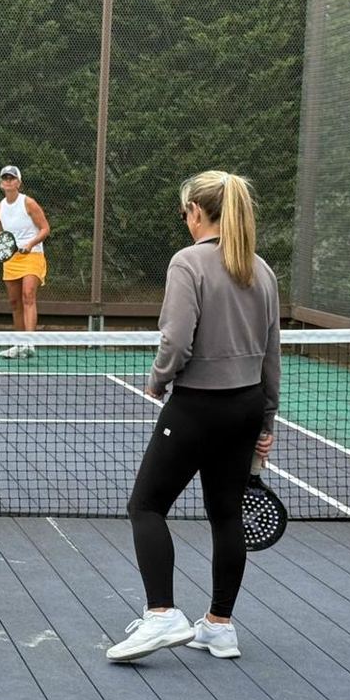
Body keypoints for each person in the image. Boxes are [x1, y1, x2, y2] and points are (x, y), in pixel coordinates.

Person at [106, 170, 280, 663]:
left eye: (185, 212)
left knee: (145, 506)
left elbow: (177, 340)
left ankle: (161, 614)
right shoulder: (262, 270)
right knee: (226, 515)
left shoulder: (188, 263)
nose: (184, 220)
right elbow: (272, 356)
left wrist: (159, 379)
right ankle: (219, 627)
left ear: (197, 213)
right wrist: (266, 422)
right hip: (245, 408)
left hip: (197, 406)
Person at [0, 165, 50, 359]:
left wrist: (31, 243)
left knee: (28, 295)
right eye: (5, 178)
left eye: (12, 178)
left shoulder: (29, 203)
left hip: (33, 256)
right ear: (1, 183)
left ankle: (29, 343)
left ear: (18, 183)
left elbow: (45, 229)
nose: (8, 181)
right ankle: (18, 343)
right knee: (15, 303)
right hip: (11, 259)